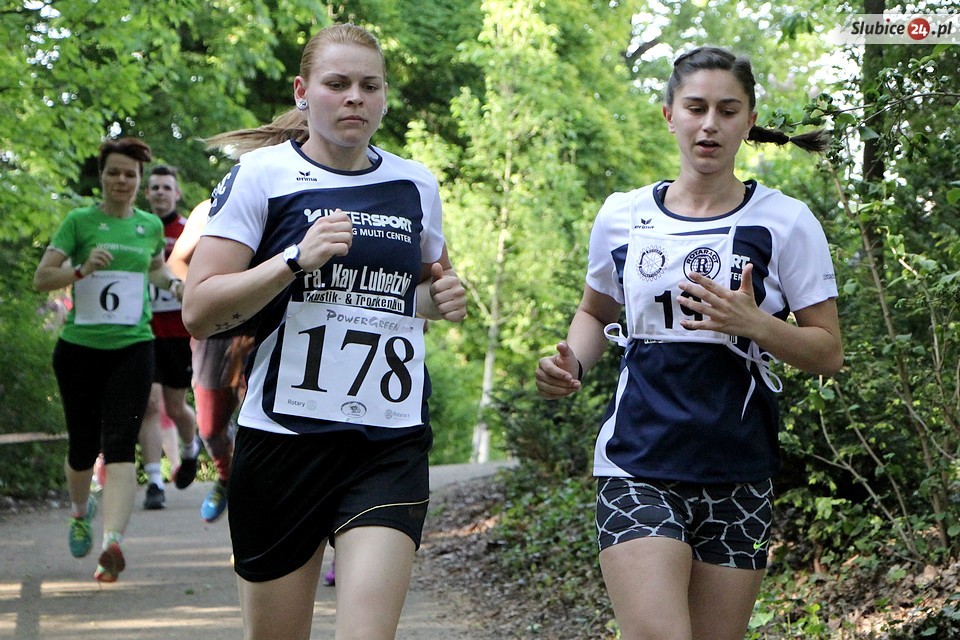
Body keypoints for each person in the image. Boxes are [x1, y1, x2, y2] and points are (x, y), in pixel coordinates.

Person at [535, 46, 843, 640]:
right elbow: (595, 312)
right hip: (637, 461)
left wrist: (757, 325)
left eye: (727, 110)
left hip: (738, 469)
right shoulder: (622, 215)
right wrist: (571, 363)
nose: (710, 124)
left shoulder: (785, 221)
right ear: (669, 115)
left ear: (749, 121)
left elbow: (828, 351)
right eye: (696, 108)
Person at [181, 23, 466, 639]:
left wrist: (439, 300)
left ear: (384, 97)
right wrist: (293, 260)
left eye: (370, 85)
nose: (355, 97)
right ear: (303, 91)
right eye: (337, 84)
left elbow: (415, 291)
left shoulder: (416, 183)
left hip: (387, 439)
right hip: (284, 439)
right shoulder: (262, 176)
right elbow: (198, 310)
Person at [34, 137, 186, 583]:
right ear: (101, 177)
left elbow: (155, 268)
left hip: (133, 347)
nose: (122, 180)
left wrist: (175, 285)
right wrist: (81, 271)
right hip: (80, 350)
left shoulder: (148, 226)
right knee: (83, 447)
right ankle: (80, 511)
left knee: (121, 444)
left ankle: (111, 544)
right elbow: (42, 278)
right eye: (114, 172)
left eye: (130, 174)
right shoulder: (79, 222)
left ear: (139, 181)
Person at [167, 198, 255, 523]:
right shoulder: (212, 207)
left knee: (260, 422)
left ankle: (258, 502)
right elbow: (177, 261)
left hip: (265, 327)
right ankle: (226, 476)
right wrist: (194, 288)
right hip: (216, 329)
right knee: (209, 427)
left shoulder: (290, 197)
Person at [139, 164, 202, 509]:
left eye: (166, 187)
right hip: (142, 330)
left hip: (178, 333)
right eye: (155, 187)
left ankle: (190, 449)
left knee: (176, 407)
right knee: (149, 404)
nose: (160, 193)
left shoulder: (188, 232)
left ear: (177, 193)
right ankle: (154, 482)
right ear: (146, 193)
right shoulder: (137, 229)